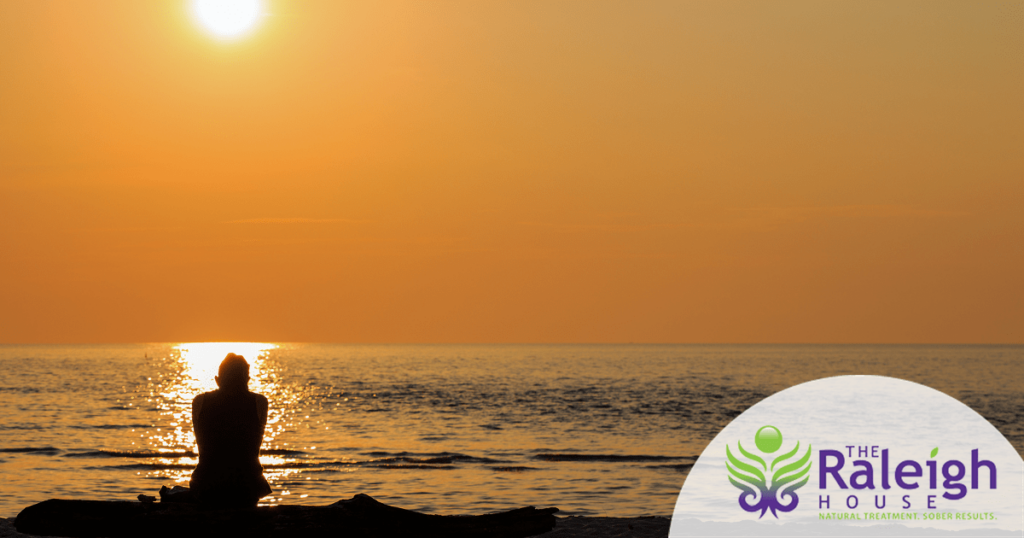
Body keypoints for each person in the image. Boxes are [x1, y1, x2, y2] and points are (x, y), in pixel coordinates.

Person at [189, 353, 272, 507]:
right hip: (247, 486)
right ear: (247, 380)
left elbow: (201, 438)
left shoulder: (199, 401)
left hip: (207, 485)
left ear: (217, 380)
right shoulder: (260, 402)